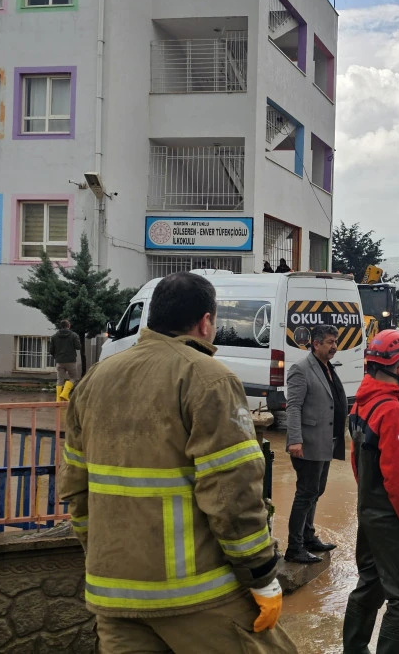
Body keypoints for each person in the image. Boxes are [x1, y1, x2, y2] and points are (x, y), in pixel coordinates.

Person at [59, 273, 296, 652]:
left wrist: (103, 557)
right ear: (205, 322)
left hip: (114, 596)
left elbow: (76, 489)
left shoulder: (94, 380)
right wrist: (261, 574)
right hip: (195, 595)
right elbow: (232, 493)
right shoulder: (208, 378)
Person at [344, 329, 399, 654]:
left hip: (368, 512)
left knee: (370, 584)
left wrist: (369, 504)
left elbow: (357, 465)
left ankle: (354, 648)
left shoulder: (361, 405)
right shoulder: (392, 412)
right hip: (392, 518)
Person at [284, 324, 346, 564]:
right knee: (305, 493)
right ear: (316, 344)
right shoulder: (301, 369)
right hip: (307, 442)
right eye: (330, 342)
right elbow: (293, 406)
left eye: (335, 342)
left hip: (325, 440)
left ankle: (308, 537)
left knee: (316, 491)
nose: (334, 347)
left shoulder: (327, 367)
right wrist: (295, 439)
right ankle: (294, 547)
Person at [50, 319, 82, 402]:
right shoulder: (73, 335)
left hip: (59, 361)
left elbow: (51, 350)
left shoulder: (54, 336)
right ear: (69, 326)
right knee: (74, 377)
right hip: (70, 360)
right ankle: (64, 393)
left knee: (59, 380)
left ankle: (58, 399)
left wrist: (56, 357)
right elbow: (78, 347)